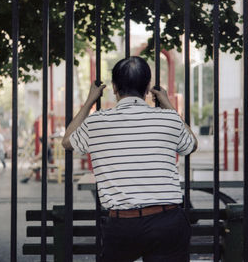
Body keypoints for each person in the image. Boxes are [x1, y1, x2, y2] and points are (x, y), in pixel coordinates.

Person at [62, 56, 197, 262]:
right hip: (166, 220)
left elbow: (67, 142)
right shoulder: (169, 119)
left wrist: (90, 100)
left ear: (114, 87)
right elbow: (192, 144)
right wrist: (168, 104)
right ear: (148, 87)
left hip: (122, 224)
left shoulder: (97, 121)